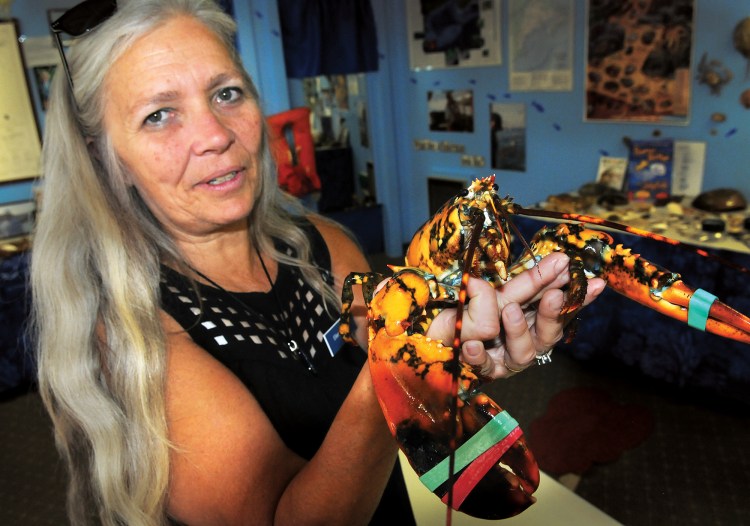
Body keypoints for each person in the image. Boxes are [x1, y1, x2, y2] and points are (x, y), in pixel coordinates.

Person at [31, 1, 606, 525]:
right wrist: (401, 367)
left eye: (226, 93)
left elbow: (408, 382)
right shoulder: (131, 332)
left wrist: (469, 348)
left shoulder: (327, 245)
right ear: (106, 160)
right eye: (159, 114)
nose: (215, 135)